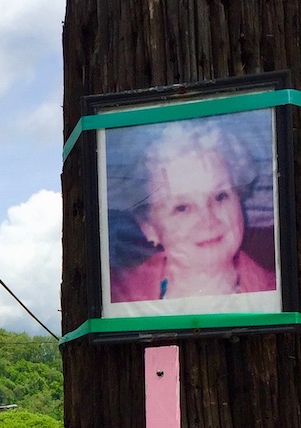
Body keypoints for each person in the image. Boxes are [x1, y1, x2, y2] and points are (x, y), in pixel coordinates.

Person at [109, 119, 275, 303]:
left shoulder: (276, 294)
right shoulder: (118, 297)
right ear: (148, 227)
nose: (208, 220)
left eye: (220, 196)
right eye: (182, 208)